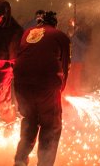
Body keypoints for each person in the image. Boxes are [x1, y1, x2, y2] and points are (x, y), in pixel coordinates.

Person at [13, 11, 71, 166]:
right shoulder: (60, 36)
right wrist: (60, 88)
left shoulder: (27, 32)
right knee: (51, 125)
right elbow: (65, 66)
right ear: (55, 24)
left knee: (29, 120)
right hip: (45, 85)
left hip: (21, 84)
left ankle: (20, 161)